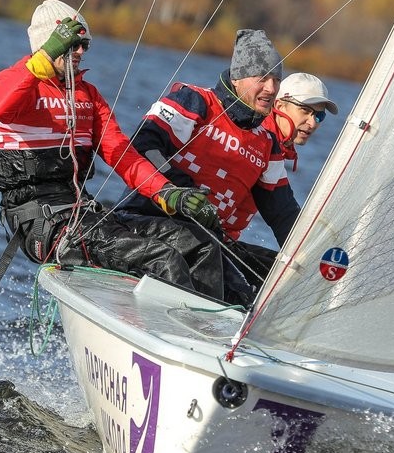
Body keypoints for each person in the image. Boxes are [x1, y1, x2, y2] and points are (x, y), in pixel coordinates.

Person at [0, 0, 253, 305]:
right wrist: (44, 57)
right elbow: (0, 105)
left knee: (198, 244)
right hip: (42, 227)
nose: (80, 52)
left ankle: (215, 333)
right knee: (164, 259)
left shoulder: (89, 97)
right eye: (72, 44)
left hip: (83, 215)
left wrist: (168, 194)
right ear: (49, 43)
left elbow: (123, 156)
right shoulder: (13, 82)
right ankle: (173, 340)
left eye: (84, 44)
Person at [123, 29, 300, 284]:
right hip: (146, 220)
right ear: (238, 78)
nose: (271, 89)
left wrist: (316, 256)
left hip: (208, 240)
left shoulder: (267, 143)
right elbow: (143, 145)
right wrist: (179, 190)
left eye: (277, 80)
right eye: (262, 77)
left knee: (278, 277)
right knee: (209, 258)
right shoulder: (195, 101)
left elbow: (283, 213)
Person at [266, 72, 339, 171]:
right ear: (280, 106)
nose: (312, 123)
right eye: (305, 110)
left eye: (319, 116)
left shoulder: (276, 149)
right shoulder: (257, 144)